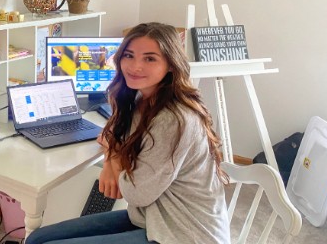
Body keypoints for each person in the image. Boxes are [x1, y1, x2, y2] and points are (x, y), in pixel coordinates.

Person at [26, 22, 230, 244]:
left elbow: (135, 194)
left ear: (171, 65)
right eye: (129, 55)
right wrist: (110, 161)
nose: (135, 66)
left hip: (184, 232)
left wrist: (113, 159)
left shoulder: (173, 119)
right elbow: (111, 135)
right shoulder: (139, 97)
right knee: (37, 238)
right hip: (151, 215)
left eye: (150, 58)